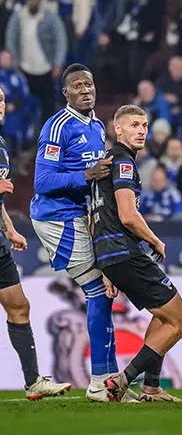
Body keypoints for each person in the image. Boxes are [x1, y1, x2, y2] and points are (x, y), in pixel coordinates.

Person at [29, 64, 138, 402]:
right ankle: (99, 383)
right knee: (96, 288)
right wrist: (86, 174)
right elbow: (42, 183)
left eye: (89, 84)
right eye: (77, 85)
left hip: (79, 215)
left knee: (104, 292)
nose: (85, 89)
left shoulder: (95, 126)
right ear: (66, 93)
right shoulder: (57, 126)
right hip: (55, 217)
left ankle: (107, 382)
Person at [93, 105, 182, 403]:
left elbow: (93, 215)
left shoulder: (104, 163)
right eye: (134, 125)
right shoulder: (122, 161)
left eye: (145, 125)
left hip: (110, 252)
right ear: (117, 129)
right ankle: (124, 379)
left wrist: (104, 265)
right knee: (180, 321)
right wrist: (155, 240)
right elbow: (127, 215)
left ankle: (151, 387)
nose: (141, 130)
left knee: (161, 315)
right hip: (125, 250)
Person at [0, 88, 72, 400]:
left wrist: (9, 228)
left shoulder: (1, 144)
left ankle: (33, 382)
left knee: (19, 306)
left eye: (1, 99)